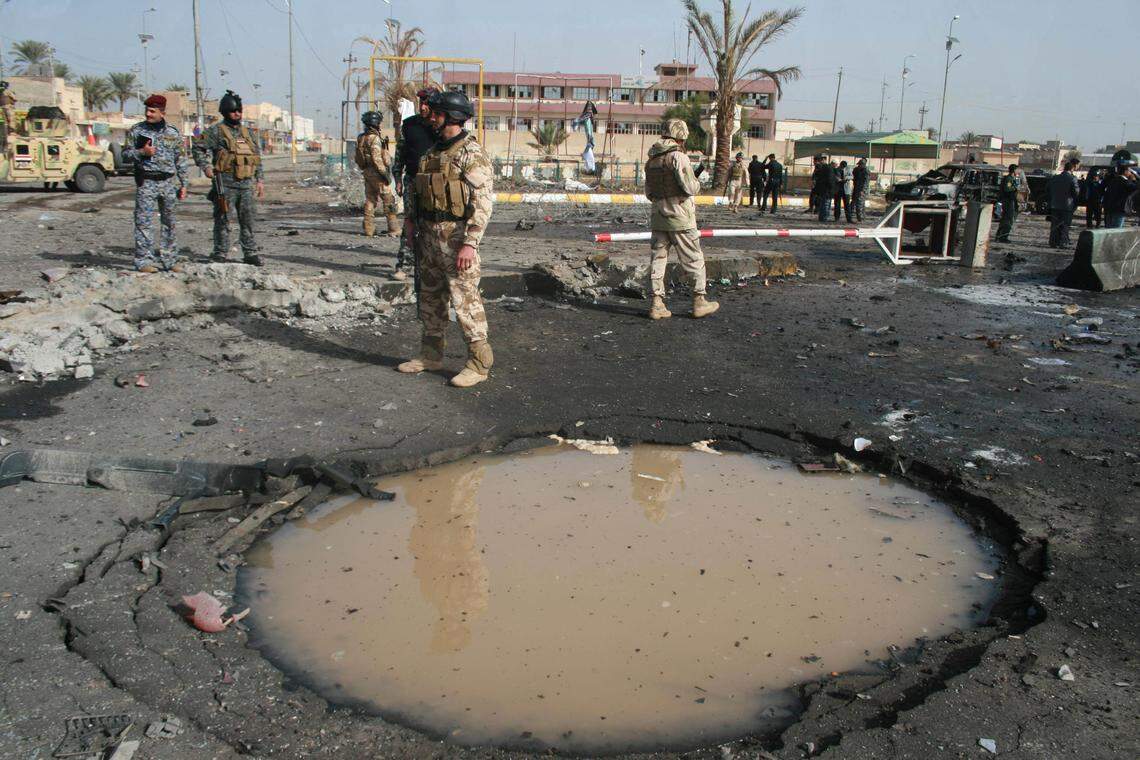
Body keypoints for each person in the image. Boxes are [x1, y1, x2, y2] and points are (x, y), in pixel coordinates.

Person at [396, 90, 495, 388]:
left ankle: (479, 363)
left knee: (465, 300)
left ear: (451, 117)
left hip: (456, 238)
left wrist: (470, 243)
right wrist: (411, 223)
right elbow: (415, 189)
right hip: (428, 236)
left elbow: (483, 202)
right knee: (430, 298)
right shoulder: (432, 153)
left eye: (437, 113)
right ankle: (430, 355)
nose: (431, 117)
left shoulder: (471, 154)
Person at [643, 118, 719, 321]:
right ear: (681, 135)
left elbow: (649, 193)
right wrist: (695, 181)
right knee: (693, 258)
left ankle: (657, 303)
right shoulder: (678, 157)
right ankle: (699, 301)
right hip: (681, 218)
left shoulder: (651, 160)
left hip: (658, 217)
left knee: (658, 260)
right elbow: (691, 188)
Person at [193, 90, 264, 266]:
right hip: (225, 184)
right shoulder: (216, 131)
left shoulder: (249, 133)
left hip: (246, 185)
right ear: (225, 112)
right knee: (223, 219)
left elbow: (256, 157)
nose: (237, 114)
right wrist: (206, 167)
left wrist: (260, 180)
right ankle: (220, 252)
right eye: (233, 111)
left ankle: (250, 252)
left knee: (247, 221)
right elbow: (198, 147)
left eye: (239, 111)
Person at [122, 94, 188, 273]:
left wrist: (184, 184)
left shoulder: (173, 133)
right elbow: (125, 155)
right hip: (147, 181)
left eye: (152, 111)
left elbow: (180, 159)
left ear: (162, 112)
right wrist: (142, 152)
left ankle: (170, 260)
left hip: (168, 182)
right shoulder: (137, 131)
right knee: (143, 223)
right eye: (147, 110)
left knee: (169, 223)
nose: (148, 114)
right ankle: (144, 261)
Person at [391, 87, 440, 282]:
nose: (424, 107)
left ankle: (433, 265)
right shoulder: (410, 125)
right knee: (410, 222)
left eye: (427, 102)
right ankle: (404, 264)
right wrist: (397, 178)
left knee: (435, 223)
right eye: (421, 102)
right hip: (412, 179)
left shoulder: (441, 127)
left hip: (435, 183)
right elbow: (400, 153)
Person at [355, 110, 399, 238]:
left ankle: (368, 229)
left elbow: (359, 158)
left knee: (370, 199)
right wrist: (384, 173)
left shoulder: (361, 137)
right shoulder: (374, 139)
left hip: (367, 172)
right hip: (377, 173)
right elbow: (376, 158)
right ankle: (394, 228)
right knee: (388, 200)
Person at [1046, 159, 1080, 247]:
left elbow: (1047, 189)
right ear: (1072, 169)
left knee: (1055, 225)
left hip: (1054, 205)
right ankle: (1063, 242)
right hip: (1067, 206)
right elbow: (1076, 193)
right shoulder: (1072, 179)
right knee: (1065, 225)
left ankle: (1053, 242)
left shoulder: (1055, 178)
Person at [1102, 151, 1139, 229]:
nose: (1130, 173)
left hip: (1109, 209)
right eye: (1129, 171)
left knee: (1109, 229)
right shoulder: (1125, 182)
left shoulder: (1113, 180)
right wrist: (1134, 179)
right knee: (1116, 230)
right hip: (1119, 210)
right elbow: (1136, 187)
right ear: (1125, 172)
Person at [994, 164, 1021, 243]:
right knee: (1008, 219)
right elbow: (1007, 189)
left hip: (1009, 201)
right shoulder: (1009, 179)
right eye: (1017, 170)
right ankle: (1003, 237)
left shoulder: (1012, 178)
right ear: (1014, 170)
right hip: (1008, 201)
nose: (1018, 171)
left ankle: (999, 236)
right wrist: (1016, 188)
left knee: (1005, 219)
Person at [812, 156, 835, 222]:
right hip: (827, 189)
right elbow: (830, 180)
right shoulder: (829, 168)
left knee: (822, 203)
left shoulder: (821, 168)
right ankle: (824, 218)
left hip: (822, 189)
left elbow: (817, 178)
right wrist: (832, 188)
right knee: (826, 204)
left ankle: (821, 218)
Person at [851, 158, 869, 222]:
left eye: (860, 165)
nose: (858, 166)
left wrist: (862, 190)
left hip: (861, 190)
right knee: (858, 203)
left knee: (859, 204)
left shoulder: (865, 171)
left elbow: (865, 182)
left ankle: (860, 218)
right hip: (857, 188)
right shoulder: (859, 170)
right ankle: (860, 217)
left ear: (863, 164)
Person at [0, 80, 16, 146]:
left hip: (5, 107)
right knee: (9, 120)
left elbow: (14, 98)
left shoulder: (6, 92)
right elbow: (14, 98)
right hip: (6, 107)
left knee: (9, 120)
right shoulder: (7, 91)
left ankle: (11, 131)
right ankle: (10, 131)